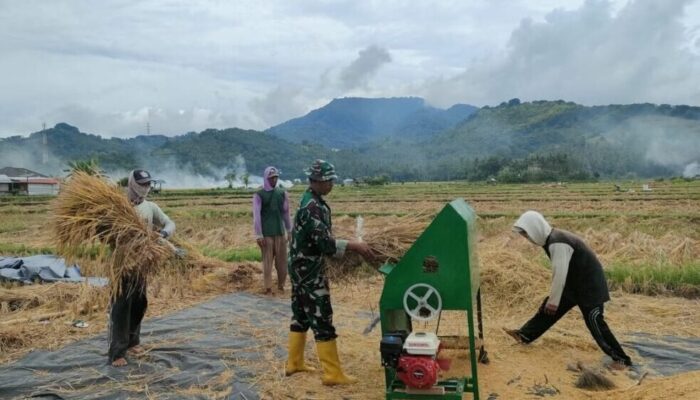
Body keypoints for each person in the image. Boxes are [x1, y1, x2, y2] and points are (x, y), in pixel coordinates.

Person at [504, 210, 632, 369]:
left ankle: (621, 359)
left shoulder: (558, 242)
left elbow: (560, 274)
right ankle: (525, 335)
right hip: (574, 285)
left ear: (535, 229)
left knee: (595, 322)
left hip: (589, 286)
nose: (527, 238)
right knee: (548, 309)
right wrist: (552, 302)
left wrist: (554, 301)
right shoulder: (552, 239)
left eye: (526, 234)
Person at [284, 160, 374, 385]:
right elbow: (325, 244)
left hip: (299, 268)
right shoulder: (313, 207)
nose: (332, 184)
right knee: (322, 316)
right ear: (317, 181)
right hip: (309, 271)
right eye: (329, 180)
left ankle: (293, 363)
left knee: (301, 314)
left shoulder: (310, 200)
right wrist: (354, 246)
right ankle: (333, 374)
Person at [109, 169, 175, 367]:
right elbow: (105, 234)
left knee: (139, 302)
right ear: (132, 183)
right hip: (121, 264)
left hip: (142, 263)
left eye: (148, 184)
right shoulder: (116, 206)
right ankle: (116, 352)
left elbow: (170, 223)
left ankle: (133, 342)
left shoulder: (150, 207)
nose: (146, 187)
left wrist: (163, 234)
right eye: (142, 184)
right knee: (121, 307)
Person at [252, 166, 292, 294]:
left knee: (282, 263)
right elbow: (256, 215)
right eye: (271, 178)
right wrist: (259, 234)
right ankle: (268, 287)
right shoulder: (259, 195)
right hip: (266, 235)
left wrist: (289, 230)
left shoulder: (282, 193)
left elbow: (286, 213)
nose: (274, 180)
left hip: (280, 233)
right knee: (267, 263)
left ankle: (281, 285)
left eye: (275, 177)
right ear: (266, 178)